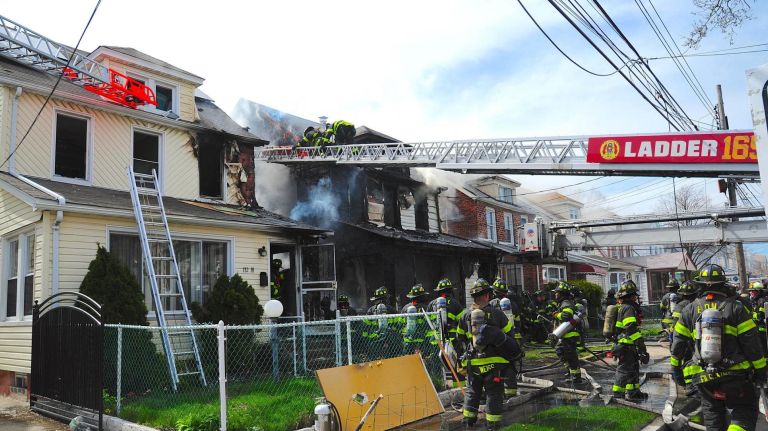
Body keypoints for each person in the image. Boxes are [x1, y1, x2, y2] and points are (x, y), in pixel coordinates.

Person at [671, 264, 766, 431]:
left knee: (713, 417)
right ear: (723, 284)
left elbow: (677, 345)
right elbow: (752, 344)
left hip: (703, 377)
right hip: (736, 376)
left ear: (699, 285)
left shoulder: (689, 309)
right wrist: (760, 371)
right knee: (745, 410)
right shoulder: (736, 308)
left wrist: (676, 371)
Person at [456, 279, 516, 430]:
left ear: (473, 297)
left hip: (474, 364)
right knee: (494, 394)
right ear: (488, 295)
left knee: (472, 392)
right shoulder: (497, 314)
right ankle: (493, 424)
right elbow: (510, 334)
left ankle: (468, 422)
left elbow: (460, 338)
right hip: (495, 364)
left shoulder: (465, 316)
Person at [611, 280, 649, 401]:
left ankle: (633, 392)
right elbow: (631, 328)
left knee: (633, 369)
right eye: (635, 295)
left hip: (628, 346)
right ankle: (618, 395)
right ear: (631, 296)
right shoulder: (628, 308)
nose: (636, 298)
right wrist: (641, 346)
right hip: (626, 345)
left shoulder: (626, 307)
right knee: (624, 370)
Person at [488, 277, 519, 398]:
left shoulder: (492, 304)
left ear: (494, 292)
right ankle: (511, 393)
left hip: (498, 340)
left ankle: (497, 390)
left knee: (496, 364)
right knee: (510, 364)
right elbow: (517, 322)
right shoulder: (513, 305)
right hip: (511, 338)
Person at [551, 282, 584, 384]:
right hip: (564, 335)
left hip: (570, 335)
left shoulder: (566, 303)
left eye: (557, 293)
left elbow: (567, 316)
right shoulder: (563, 303)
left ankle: (576, 377)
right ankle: (570, 372)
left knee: (571, 357)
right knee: (561, 352)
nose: (555, 294)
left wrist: (557, 315)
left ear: (561, 294)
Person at [401, 284, 432, 355]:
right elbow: (429, 324)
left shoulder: (405, 308)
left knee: (408, 358)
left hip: (408, 339)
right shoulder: (425, 308)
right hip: (422, 339)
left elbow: (400, 323)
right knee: (424, 358)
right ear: (422, 297)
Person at [747, 281, 768, 354]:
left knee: (763, 349)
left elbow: (760, 316)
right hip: (756, 329)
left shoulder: (762, 301)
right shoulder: (754, 300)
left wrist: (749, 315)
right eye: (750, 291)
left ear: (758, 291)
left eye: (752, 291)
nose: (751, 293)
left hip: (762, 330)